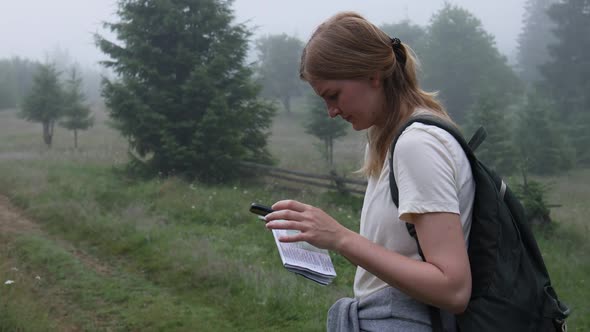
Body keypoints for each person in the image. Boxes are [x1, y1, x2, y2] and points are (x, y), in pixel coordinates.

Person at [264, 11, 474, 332]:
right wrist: (325, 235)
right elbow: (404, 251)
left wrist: (340, 238)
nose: (331, 112)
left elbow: (453, 288)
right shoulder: (386, 138)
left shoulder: (416, 144)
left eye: (333, 95)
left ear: (373, 75)